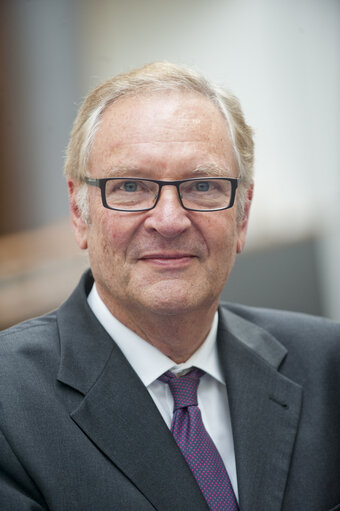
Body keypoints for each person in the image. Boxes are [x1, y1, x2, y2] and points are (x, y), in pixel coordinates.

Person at [0, 62, 339, 511]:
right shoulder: (9, 403)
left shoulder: (327, 367)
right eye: (130, 187)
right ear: (80, 213)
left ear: (243, 214)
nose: (169, 220)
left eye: (201, 186)